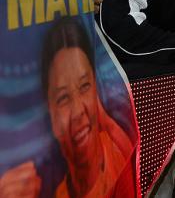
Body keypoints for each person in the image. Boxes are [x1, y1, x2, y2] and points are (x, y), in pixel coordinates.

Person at [0, 17, 134, 198]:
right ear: (49, 111)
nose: (78, 111)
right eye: (63, 98)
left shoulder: (119, 153)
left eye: (85, 86)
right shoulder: (44, 189)